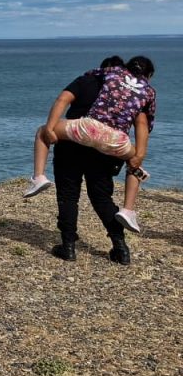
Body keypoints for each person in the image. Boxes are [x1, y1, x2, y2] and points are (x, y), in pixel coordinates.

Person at [24, 56, 156, 235]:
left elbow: (71, 91)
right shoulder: (149, 91)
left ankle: (39, 177)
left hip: (89, 129)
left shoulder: (111, 73)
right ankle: (128, 210)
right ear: (149, 75)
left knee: (42, 132)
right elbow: (143, 124)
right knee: (134, 163)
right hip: (116, 140)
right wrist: (140, 154)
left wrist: (50, 128)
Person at [45, 56, 133, 263]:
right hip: (103, 147)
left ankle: (68, 247)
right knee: (102, 197)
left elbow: (63, 99)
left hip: (71, 141)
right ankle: (120, 247)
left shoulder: (87, 80)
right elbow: (140, 120)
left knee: (68, 195)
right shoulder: (127, 91)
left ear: (101, 69)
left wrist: (50, 127)